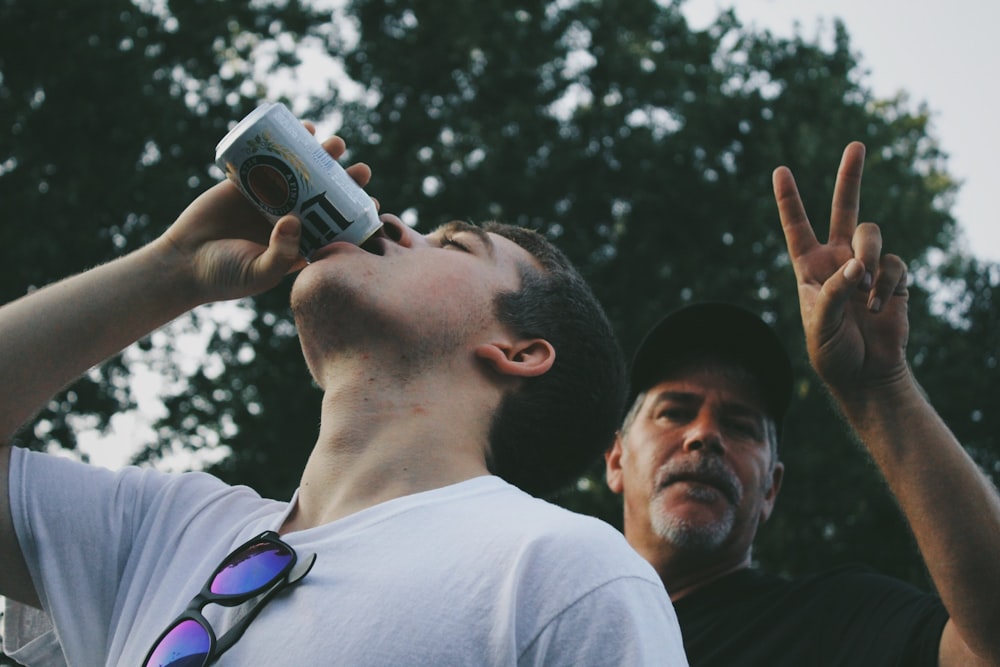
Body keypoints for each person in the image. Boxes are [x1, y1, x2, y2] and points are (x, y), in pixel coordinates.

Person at [0, 126, 688, 665]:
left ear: (520, 352)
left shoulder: (563, 574)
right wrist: (172, 268)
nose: (392, 226)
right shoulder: (167, 531)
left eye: (453, 244)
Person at [605, 142, 1000, 666]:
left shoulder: (837, 623)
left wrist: (881, 387)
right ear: (615, 461)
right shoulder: (533, 625)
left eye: (741, 424)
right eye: (674, 411)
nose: (704, 434)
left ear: (771, 488)